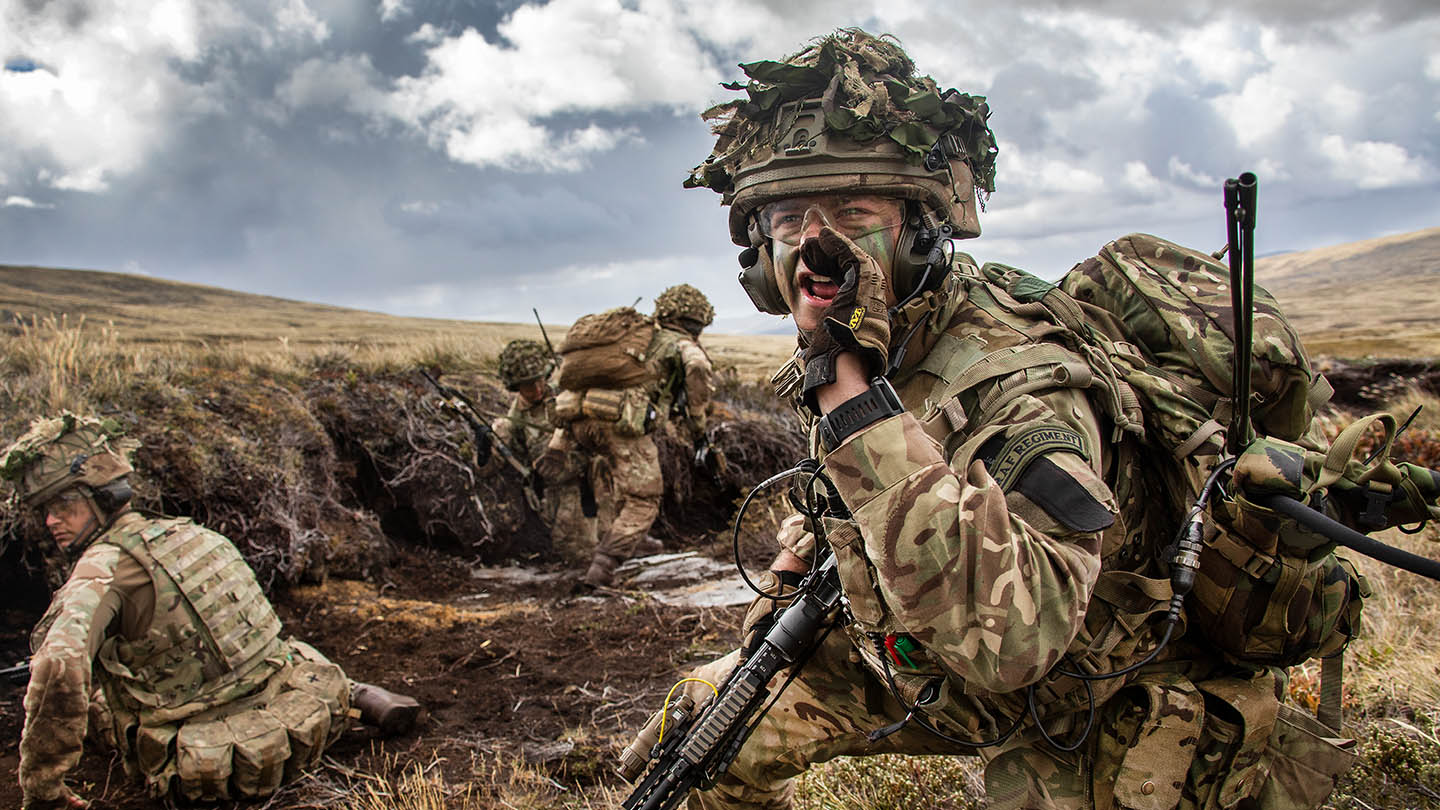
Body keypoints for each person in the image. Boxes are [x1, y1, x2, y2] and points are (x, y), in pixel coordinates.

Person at [655, 29, 1346, 810]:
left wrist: (854, 412)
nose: (814, 248)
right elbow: (846, 507)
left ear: (921, 230)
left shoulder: (1018, 380)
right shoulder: (880, 342)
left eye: (852, 210)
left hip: (1093, 686)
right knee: (703, 732)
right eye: (786, 221)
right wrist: (781, 599)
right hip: (937, 661)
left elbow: (1018, 640)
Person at [2, 413, 420, 809]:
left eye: (64, 506)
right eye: (46, 511)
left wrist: (43, 789)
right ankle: (358, 694)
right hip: (301, 718)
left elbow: (58, 663)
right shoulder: (189, 533)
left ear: (103, 498)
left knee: (95, 701)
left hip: (213, 762)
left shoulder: (101, 568)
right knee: (288, 652)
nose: (52, 521)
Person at [544, 285, 716, 588]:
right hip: (620, 425)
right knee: (644, 497)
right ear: (698, 322)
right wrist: (699, 426)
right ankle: (603, 567)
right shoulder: (680, 342)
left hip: (578, 422)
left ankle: (633, 538)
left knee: (614, 479)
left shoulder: (635, 337)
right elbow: (698, 366)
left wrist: (558, 443)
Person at [488, 338, 597, 566]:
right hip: (556, 491)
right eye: (528, 386)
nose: (537, 390)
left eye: (539, 382)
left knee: (599, 546)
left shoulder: (567, 396)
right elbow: (516, 462)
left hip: (591, 479)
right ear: (515, 386)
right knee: (574, 551)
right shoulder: (514, 418)